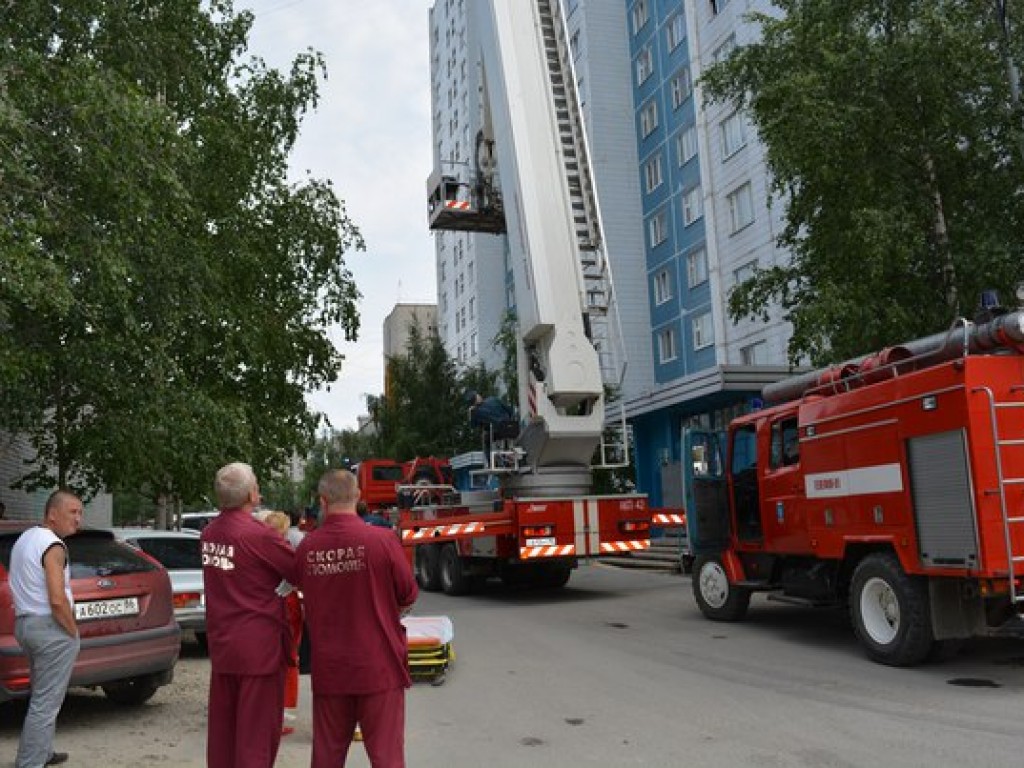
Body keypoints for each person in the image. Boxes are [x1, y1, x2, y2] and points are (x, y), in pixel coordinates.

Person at [297, 469, 418, 768]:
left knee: (327, 755)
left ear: (322, 501)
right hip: (379, 666)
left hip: (331, 670)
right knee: (387, 756)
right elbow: (407, 593)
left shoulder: (308, 547)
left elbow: (299, 589)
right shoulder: (383, 540)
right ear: (358, 497)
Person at [201, 462, 298, 768]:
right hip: (259, 648)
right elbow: (298, 569)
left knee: (224, 734)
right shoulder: (260, 535)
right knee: (256, 737)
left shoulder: (209, 533)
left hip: (223, 644)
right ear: (252, 495)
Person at [9, 490, 83, 767]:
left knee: (42, 694)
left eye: (80, 513)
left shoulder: (28, 537)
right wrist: (72, 632)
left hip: (26, 625)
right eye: (73, 512)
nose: (78, 520)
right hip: (50, 629)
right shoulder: (53, 546)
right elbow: (56, 598)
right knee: (46, 702)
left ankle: (43, 751)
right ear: (52, 514)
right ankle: (30, 762)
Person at [262, 510, 304, 737]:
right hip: (288, 606)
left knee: (274, 660)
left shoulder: (261, 545)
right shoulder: (291, 544)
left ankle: (274, 713)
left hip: (270, 607)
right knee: (289, 660)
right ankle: (283, 714)